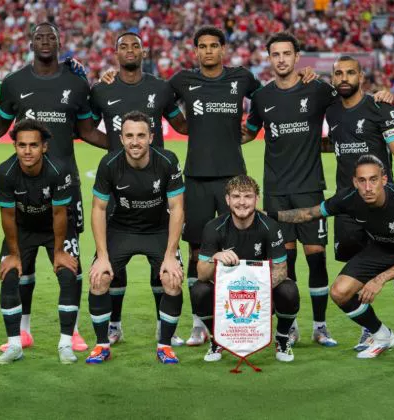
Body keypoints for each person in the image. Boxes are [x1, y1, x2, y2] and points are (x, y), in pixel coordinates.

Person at [101, 26, 317, 346]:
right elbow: (151, 96)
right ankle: (200, 322)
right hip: (197, 177)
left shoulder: (242, 78)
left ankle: (254, 316)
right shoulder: (182, 81)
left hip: (234, 179)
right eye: (202, 46)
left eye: (214, 46)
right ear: (196, 51)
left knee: (244, 245)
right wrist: (112, 76)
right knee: (196, 251)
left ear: (223, 49)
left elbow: (273, 95)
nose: (208, 51)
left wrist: (303, 77)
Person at [243, 33, 394, 348]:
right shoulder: (261, 97)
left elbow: (352, 98)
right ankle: (292, 324)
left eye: (287, 53)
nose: (281, 59)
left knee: (316, 259)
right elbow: (248, 132)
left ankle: (321, 327)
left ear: (298, 57)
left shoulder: (319, 89)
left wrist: (383, 94)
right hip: (276, 190)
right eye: (275, 54)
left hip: (311, 188)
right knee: (284, 261)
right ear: (269, 58)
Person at [0, 22, 108, 352]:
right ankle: (23, 330)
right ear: (30, 43)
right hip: (24, 187)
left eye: (50, 37)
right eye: (39, 37)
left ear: (59, 43)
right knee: (21, 260)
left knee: (69, 260)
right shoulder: (14, 83)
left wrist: (120, 146)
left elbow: (86, 130)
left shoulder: (76, 82)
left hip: (65, 184)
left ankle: (73, 331)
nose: (45, 41)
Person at [274, 155, 394, 369]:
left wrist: (379, 279)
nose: (368, 187)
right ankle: (382, 335)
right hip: (379, 249)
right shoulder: (348, 198)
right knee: (340, 292)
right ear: (354, 182)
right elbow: (309, 213)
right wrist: (267, 215)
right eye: (362, 180)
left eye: (373, 179)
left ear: (384, 180)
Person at [90, 31, 187, 346]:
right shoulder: (102, 89)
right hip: (118, 189)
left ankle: (164, 326)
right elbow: (84, 126)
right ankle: (114, 325)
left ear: (144, 51)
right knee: (111, 268)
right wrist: (114, 151)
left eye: (135, 45)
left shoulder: (160, 88)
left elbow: (181, 123)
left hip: (157, 188)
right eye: (123, 46)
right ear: (114, 53)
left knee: (161, 265)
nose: (130, 50)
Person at [325, 55, 394, 350]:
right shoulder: (332, 110)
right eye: (339, 73)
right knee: (357, 268)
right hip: (348, 205)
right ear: (333, 78)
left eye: (351, 72)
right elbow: (335, 143)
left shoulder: (380, 107)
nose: (344, 78)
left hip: (382, 204)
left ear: (361, 76)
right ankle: (371, 329)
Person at [86, 111, 185, 364]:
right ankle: (101, 345)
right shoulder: (109, 164)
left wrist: (171, 255)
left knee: (172, 280)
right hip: (121, 229)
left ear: (151, 137)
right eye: (129, 136)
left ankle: (165, 345)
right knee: (99, 278)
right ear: (120, 138)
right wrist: (102, 257)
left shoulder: (167, 161)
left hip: (158, 230)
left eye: (141, 135)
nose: (135, 141)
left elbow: (177, 209)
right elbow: (98, 209)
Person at [0, 119, 80, 365]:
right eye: (22, 145)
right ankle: (14, 345)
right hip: (22, 229)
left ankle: (65, 344)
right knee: (10, 276)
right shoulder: (5, 172)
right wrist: (13, 253)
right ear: (15, 147)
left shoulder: (58, 169)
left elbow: (59, 213)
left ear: (44, 147)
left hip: (55, 229)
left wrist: (60, 251)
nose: (27, 151)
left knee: (67, 275)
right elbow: (8, 216)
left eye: (33, 145)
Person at [193, 175, 300, 363]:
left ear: (256, 199)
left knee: (289, 290)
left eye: (248, 196)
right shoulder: (214, 227)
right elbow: (202, 273)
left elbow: (281, 270)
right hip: (227, 293)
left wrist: (254, 291)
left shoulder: (271, 227)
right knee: (199, 290)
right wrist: (215, 257)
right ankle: (216, 339)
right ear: (227, 200)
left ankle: (282, 338)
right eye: (236, 196)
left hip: (260, 291)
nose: (242, 203)